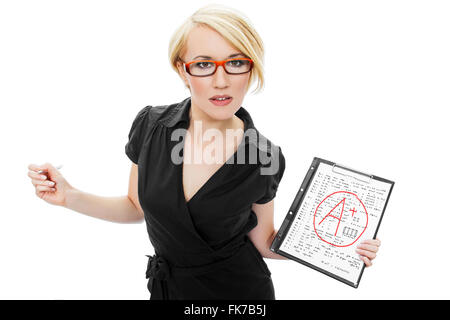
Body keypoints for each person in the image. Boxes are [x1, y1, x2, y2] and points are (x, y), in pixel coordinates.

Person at [27, 4, 381, 300]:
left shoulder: (265, 157)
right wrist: (69, 197)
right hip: (169, 292)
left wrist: (340, 250)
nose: (221, 80)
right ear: (183, 71)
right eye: (203, 64)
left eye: (236, 62)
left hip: (240, 296)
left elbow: (266, 243)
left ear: (251, 68)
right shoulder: (151, 126)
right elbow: (136, 206)